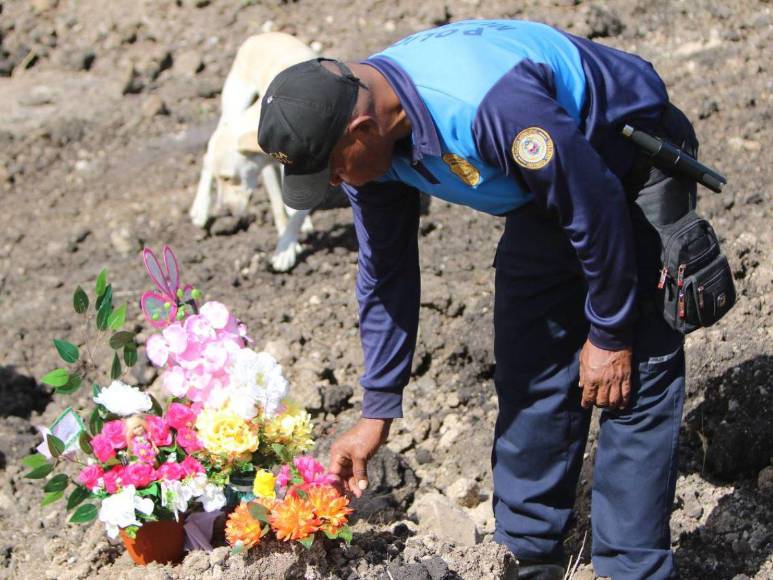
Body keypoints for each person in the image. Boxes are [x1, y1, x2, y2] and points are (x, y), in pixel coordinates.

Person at [257, 19, 698, 580]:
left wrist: (609, 333)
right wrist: (377, 408)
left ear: (361, 128)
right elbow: (385, 273)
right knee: (531, 365)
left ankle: (630, 569)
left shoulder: (490, 106)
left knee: (630, 376)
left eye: (334, 169)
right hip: (546, 189)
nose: (336, 185)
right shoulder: (372, 139)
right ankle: (525, 554)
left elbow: (595, 204)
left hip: (625, 163)